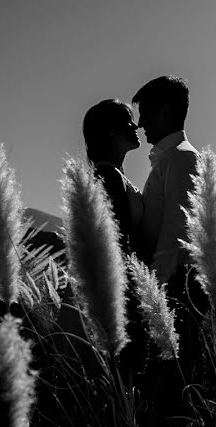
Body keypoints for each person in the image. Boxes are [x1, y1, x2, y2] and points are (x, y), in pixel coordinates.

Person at [132, 75, 206, 394]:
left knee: (171, 390)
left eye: (145, 112)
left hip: (173, 294)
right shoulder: (170, 159)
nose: (140, 123)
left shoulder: (182, 158)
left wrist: (154, 298)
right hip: (167, 293)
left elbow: (176, 237)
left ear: (163, 111)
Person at [82, 99, 145, 256]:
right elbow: (119, 240)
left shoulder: (109, 174)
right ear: (111, 129)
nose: (136, 126)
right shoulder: (108, 176)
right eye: (128, 121)